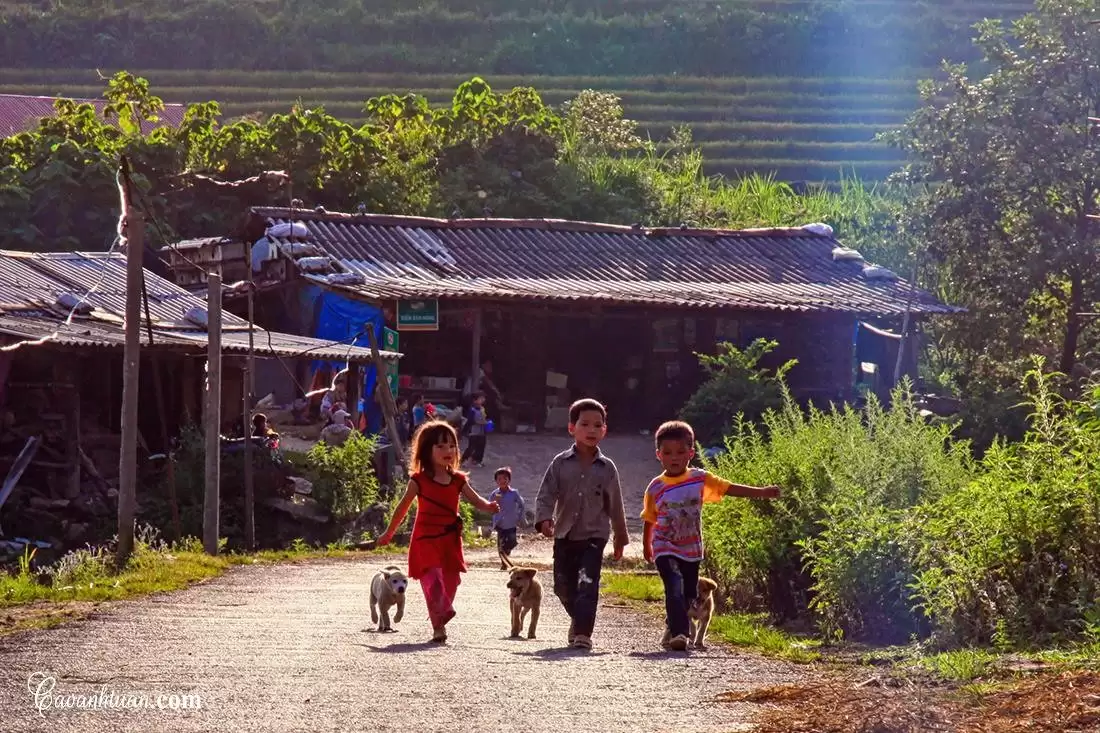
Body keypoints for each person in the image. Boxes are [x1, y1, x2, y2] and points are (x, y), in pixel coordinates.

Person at [641, 419, 781, 652]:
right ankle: (680, 633)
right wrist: (647, 545)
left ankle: (673, 624)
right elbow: (649, 518)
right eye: (667, 453)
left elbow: (729, 488)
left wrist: (762, 492)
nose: (674, 457)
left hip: (691, 548)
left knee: (688, 592)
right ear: (658, 455)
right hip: (664, 546)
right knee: (673, 585)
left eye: (680, 452)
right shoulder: (656, 487)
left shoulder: (699, 478)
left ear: (691, 453)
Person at [377, 420, 499, 643]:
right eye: (441, 446)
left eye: (452, 446)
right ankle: (439, 623)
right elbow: (402, 507)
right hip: (425, 539)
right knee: (433, 582)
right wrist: (388, 533)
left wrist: (489, 507)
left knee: (451, 582)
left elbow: (475, 499)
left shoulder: (458, 480)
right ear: (427, 450)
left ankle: (439, 622)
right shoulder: (418, 481)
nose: (448, 451)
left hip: (450, 539)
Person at [534, 398, 629, 650]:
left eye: (598, 425)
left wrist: (620, 536)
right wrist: (544, 519)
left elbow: (615, 504)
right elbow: (546, 494)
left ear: (604, 431)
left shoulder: (607, 468)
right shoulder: (560, 463)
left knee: (588, 583)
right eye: (584, 424)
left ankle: (584, 633)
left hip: (594, 536)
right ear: (571, 428)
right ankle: (578, 620)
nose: (591, 430)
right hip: (565, 534)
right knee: (562, 587)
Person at [489, 466, 526, 570]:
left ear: (509, 480)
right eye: (499, 479)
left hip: (511, 522)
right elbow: (489, 507)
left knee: (511, 541)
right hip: (499, 523)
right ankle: (504, 563)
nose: (502, 481)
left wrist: (520, 516)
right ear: (496, 481)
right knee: (500, 545)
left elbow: (521, 504)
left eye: (505, 478)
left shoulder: (514, 493)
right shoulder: (495, 493)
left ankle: (507, 551)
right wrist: (495, 502)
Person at [461, 392, 488, 467]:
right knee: (472, 447)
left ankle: (477, 460)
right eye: (480, 398)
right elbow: (470, 420)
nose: (483, 400)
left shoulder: (482, 409)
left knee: (481, 446)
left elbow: (484, 417)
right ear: (475, 400)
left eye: (483, 398)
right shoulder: (472, 410)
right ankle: (463, 460)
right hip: (474, 431)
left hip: (482, 431)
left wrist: (486, 423)